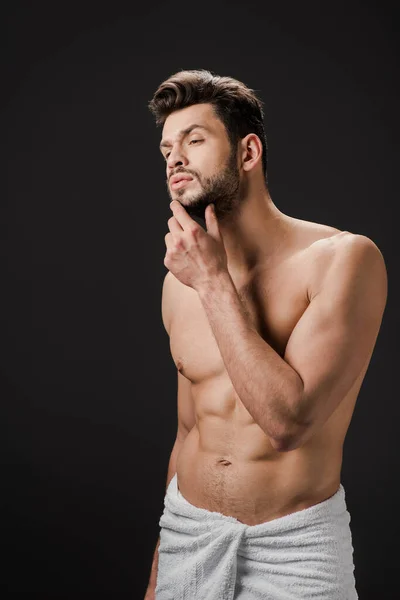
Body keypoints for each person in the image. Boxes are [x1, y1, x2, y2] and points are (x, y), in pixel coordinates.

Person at [144, 69, 387, 600]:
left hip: (293, 553)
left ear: (248, 153)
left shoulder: (343, 261)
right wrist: (162, 571)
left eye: (195, 140)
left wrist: (212, 283)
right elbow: (189, 433)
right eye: (166, 149)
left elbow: (286, 422)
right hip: (190, 536)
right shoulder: (178, 283)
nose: (175, 158)